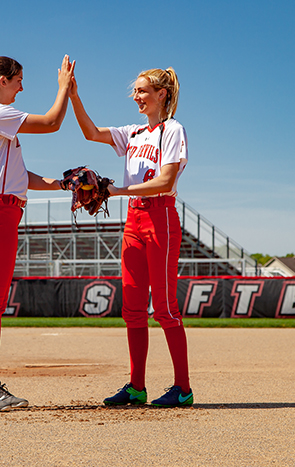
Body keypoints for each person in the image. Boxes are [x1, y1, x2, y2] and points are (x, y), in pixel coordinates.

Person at [69, 67, 192, 407]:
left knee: (165, 308)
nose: (136, 97)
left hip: (161, 217)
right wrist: (73, 94)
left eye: (142, 91)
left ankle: (183, 388)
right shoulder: (134, 132)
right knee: (133, 308)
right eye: (135, 92)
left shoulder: (172, 129)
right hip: (134, 220)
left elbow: (165, 182)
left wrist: (116, 190)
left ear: (161, 94)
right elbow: (91, 132)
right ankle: (137, 386)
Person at [0, 55, 75, 411]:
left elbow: (21, 178)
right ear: (2, 81)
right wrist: (64, 88)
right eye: (19, 80)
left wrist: (63, 184)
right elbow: (53, 122)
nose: (22, 87)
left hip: (4, 209)